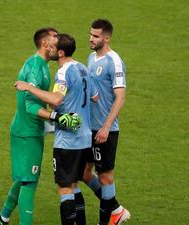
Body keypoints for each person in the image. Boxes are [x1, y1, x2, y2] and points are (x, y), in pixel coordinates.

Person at [0, 28, 83, 225]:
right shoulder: (35, 67)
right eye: (54, 38)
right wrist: (57, 117)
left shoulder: (43, 66)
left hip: (32, 130)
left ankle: (2, 218)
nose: (57, 42)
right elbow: (30, 105)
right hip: (26, 132)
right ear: (45, 44)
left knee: (24, 177)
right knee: (29, 182)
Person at [14, 33, 96, 225]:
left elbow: (56, 99)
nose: (47, 49)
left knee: (64, 189)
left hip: (68, 140)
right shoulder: (82, 67)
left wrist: (29, 87)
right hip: (85, 137)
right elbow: (95, 97)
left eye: (52, 47)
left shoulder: (63, 72)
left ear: (60, 52)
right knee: (74, 185)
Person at [81, 19, 130, 225]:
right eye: (90, 34)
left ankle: (109, 220)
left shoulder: (114, 61)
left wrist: (107, 126)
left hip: (105, 129)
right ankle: (116, 209)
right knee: (84, 173)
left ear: (106, 38)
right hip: (89, 127)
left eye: (96, 36)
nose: (91, 39)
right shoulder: (91, 58)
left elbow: (120, 97)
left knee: (105, 175)